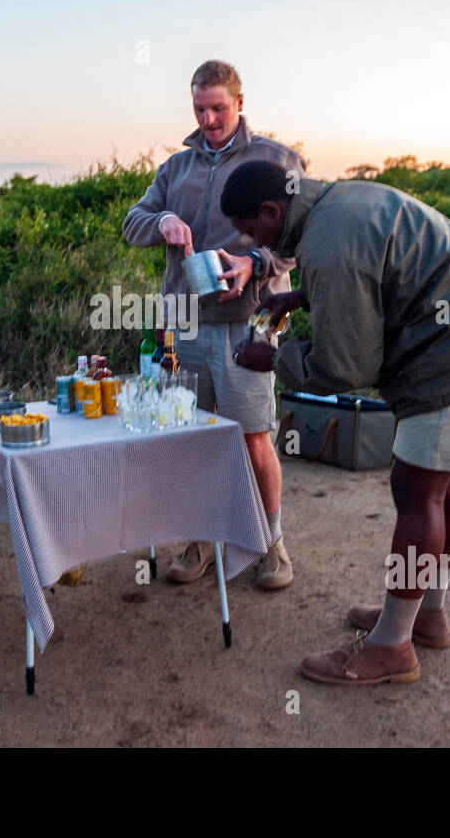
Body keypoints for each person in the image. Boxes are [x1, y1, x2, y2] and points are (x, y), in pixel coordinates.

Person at [223, 159, 450, 684]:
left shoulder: (327, 245)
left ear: (272, 210)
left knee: (417, 490)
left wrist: (275, 360)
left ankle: (391, 646)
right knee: (448, 480)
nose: (252, 241)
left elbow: (346, 367)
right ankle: (425, 614)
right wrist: (303, 296)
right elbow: (385, 273)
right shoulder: (340, 204)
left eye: (251, 230)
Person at [122, 61, 304, 589]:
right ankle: (202, 541)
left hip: (245, 322)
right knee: (195, 439)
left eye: (218, 108)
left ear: (240, 103)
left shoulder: (276, 158)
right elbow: (134, 222)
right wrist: (162, 222)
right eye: (199, 109)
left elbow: (297, 240)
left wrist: (257, 264)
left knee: (253, 439)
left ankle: (271, 546)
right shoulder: (175, 168)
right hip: (184, 322)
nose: (208, 119)